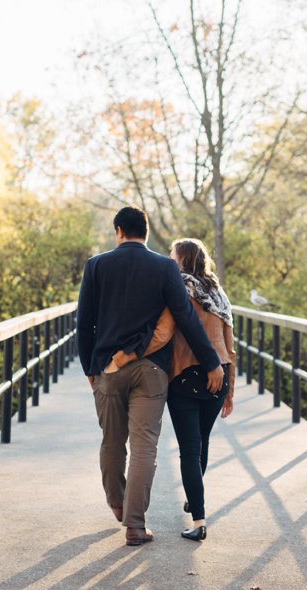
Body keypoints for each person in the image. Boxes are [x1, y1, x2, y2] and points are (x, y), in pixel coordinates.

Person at [76, 207, 224, 547]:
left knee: (112, 441)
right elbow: (186, 317)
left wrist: (89, 368)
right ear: (145, 231)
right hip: (152, 370)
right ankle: (136, 526)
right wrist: (211, 362)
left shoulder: (96, 265)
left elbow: (85, 324)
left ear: (118, 231)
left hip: (108, 369)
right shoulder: (165, 266)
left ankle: (117, 501)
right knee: (145, 446)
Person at [106, 238, 236, 542]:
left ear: (182, 261)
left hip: (186, 376)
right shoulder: (218, 294)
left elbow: (163, 333)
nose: (168, 259)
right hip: (219, 377)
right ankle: (196, 497)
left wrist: (126, 356)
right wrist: (230, 392)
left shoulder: (179, 290)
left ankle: (200, 520)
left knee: (190, 451)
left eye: (172, 255)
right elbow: (231, 347)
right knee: (201, 444)